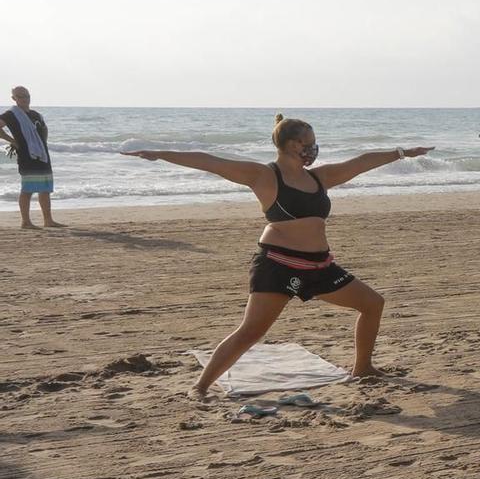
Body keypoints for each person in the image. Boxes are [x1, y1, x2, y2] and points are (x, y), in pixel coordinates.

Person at [122, 116, 431, 398]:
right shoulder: (263, 176)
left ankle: (362, 367)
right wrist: (160, 153)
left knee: (372, 303)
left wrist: (403, 152)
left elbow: (361, 162)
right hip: (279, 265)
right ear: (291, 145)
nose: (313, 148)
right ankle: (200, 387)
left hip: (319, 266)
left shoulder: (319, 178)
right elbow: (210, 161)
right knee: (251, 332)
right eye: (308, 143)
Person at [2, 86, 62, 229]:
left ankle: (48, 221)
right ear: (14, 98)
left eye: (26, 96)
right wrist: (12, 141)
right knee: (28, 189)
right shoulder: (11, 115)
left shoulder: (36, 114)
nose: (24, 99)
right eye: (20, 96)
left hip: (42, 154)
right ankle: (26, 222)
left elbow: (44, 129)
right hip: (26, 156)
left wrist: (43, 145)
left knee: (45, 189)